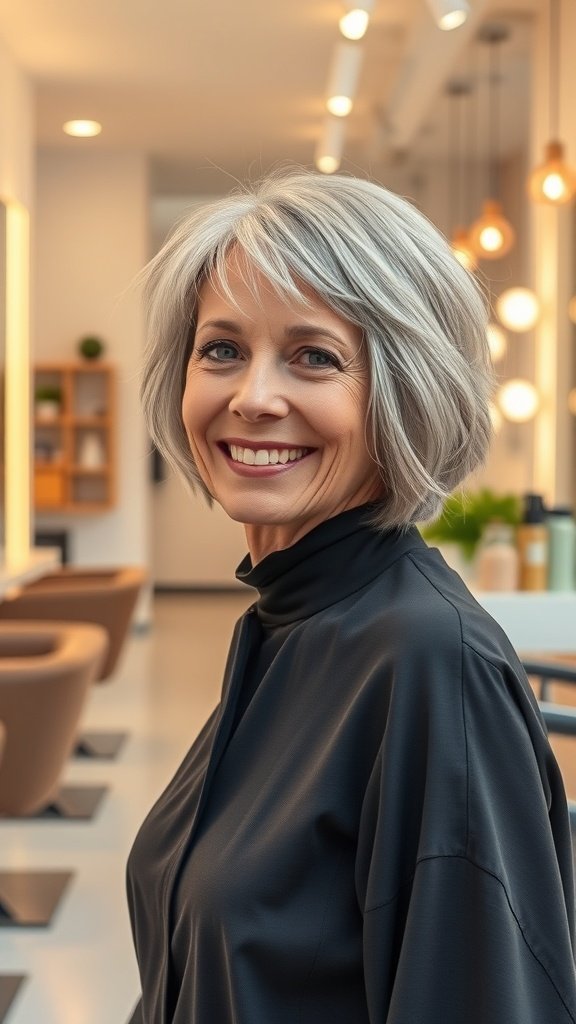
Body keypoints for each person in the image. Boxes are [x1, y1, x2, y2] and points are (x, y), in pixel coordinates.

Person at [127, 170, 576, 1024]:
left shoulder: (428, 663)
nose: (253, 398)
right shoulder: (286, 620)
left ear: (405, 393)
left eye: (315, 357)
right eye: (221, 348)